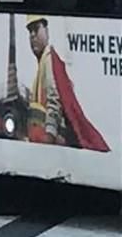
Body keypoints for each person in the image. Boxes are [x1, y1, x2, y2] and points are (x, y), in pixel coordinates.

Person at [24, 15, 109, 150]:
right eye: (30, 32)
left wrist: (50, 135)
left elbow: (54, 99)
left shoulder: (49, 59)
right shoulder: (41, 64)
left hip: (51, 140)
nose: (32, 36)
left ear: (46, 31)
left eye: (36, 29)